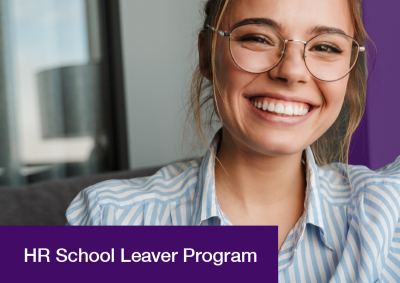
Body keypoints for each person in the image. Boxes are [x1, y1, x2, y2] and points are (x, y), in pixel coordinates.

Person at [66, 0, 400, 281]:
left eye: (326, 46)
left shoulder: (387, 212)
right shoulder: (110, 221)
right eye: (258, 38)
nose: (292, 71)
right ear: (206, 54)